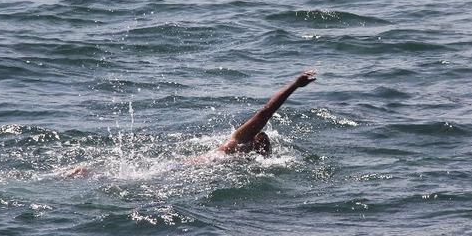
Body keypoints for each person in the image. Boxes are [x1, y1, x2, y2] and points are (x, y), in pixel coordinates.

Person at [64, 70, 316, 177]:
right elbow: (265, 112)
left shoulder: (242, 159)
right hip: (185, 169)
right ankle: (88, 174)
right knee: (136, 179)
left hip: (190, 169)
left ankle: (90, 174)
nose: (260, 143)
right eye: (260, 140)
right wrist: (294, 85)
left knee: (140, 177)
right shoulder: (238, 141)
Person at [216, 70, 316, 156]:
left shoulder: (241, 153)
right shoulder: (235, 143)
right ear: (248, 136)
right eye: (257, 132)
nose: (263, 138)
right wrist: (294, 85)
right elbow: (265, 113)